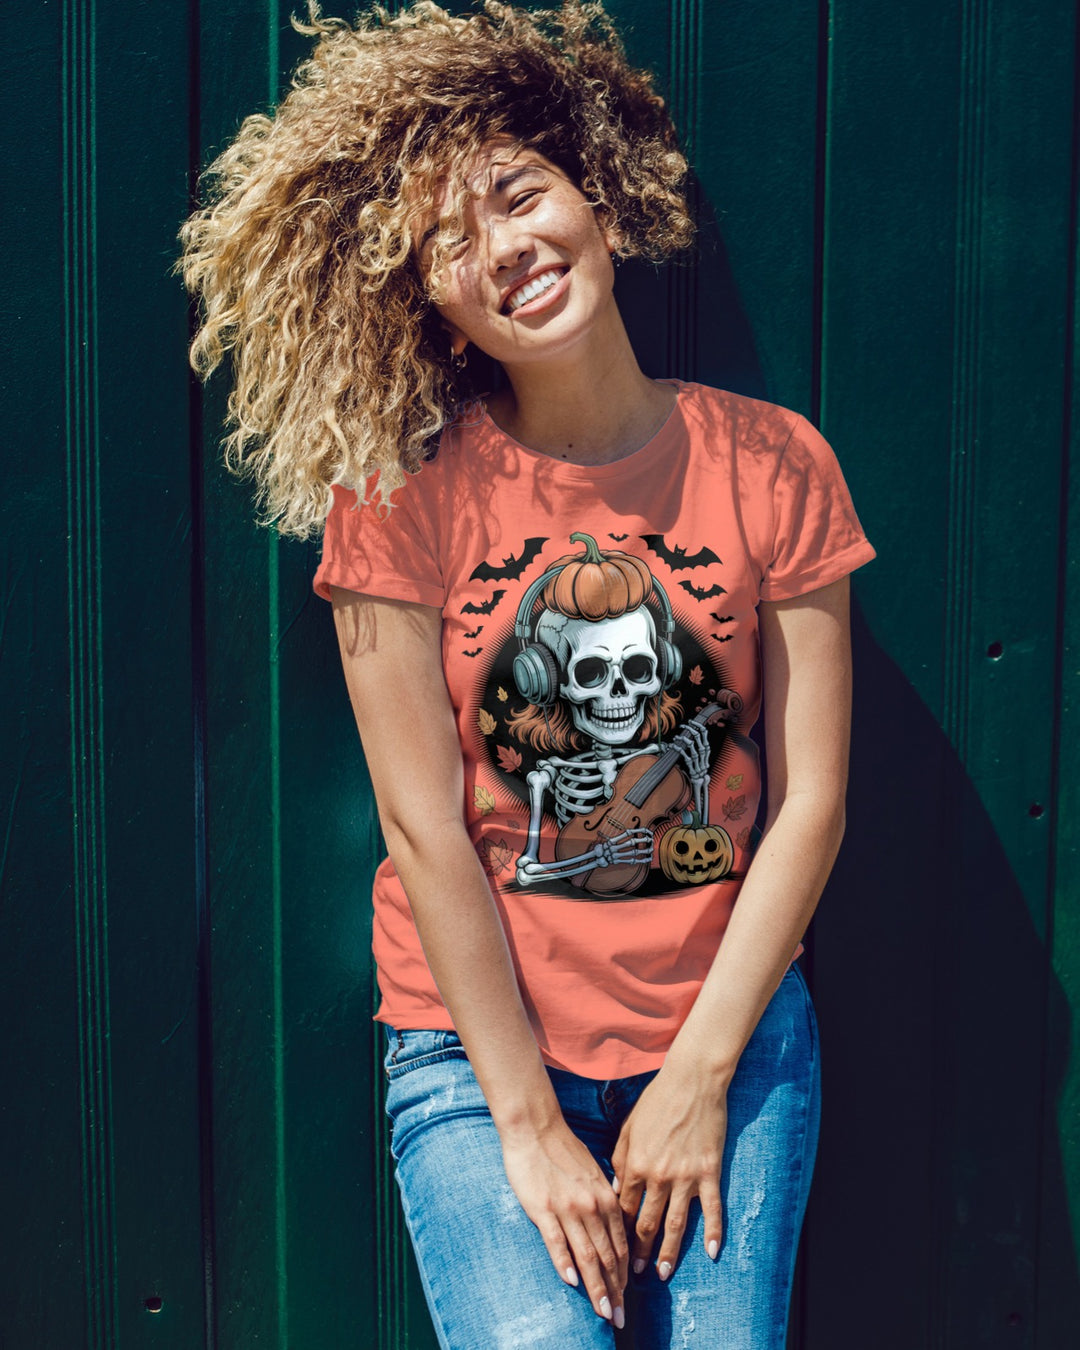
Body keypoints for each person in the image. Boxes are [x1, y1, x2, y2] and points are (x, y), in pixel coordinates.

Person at [180, 3, 875, 1344]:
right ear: (422, 294)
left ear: (597, 196)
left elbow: (811, 805)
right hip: (477, 1051)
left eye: (518, 195)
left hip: (727, 1032)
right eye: (448, 241)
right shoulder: (395, 498)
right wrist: (529, 1127)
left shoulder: (775, 463)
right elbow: (421, 827)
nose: (504, 248)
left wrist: (700, 1076)